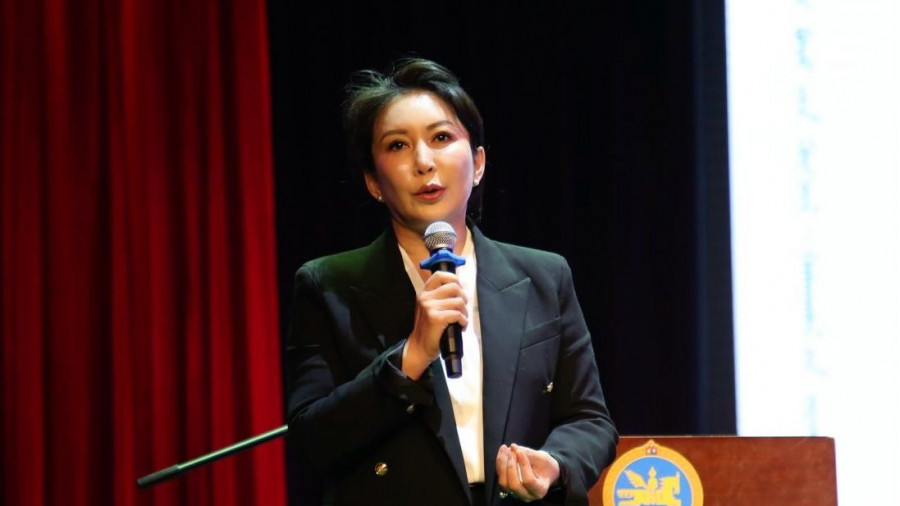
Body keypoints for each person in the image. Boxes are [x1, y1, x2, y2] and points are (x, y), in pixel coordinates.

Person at [285, 58, 617, 506]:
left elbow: (590, 420)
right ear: (373, 182)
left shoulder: (544, 276)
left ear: (478, 163)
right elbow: (313, 441)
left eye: (441, 138)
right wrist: (411, 356)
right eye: (398, 145)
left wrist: (555, 463)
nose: (424, 162)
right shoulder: (328, 286)